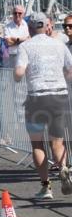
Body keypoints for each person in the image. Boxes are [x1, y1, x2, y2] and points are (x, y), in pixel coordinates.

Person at [14, 11, 72, 199]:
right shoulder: (59, 45)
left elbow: (19, 73)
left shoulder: (25, 46)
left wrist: (18, 75)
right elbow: (70, 70)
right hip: (59, 95)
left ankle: (46, 187)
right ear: (48, 26)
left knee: (37, 143)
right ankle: (63, 168)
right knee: (57, 142)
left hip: (37, 97)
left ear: (30, 27)